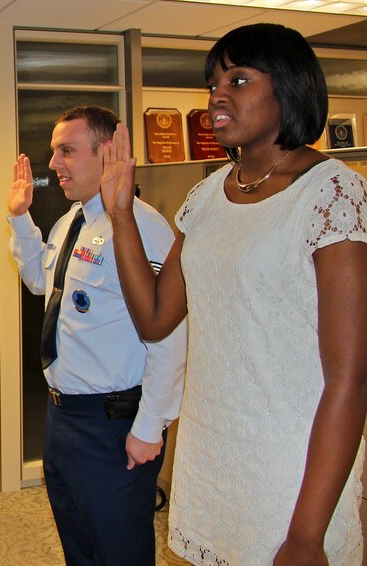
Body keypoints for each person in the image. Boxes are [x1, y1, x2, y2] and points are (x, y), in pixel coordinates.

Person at [100, 24, 366, 565]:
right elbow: (154, 317)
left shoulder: (332, 191)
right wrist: (121, 212)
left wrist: (308, 536)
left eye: (238, 79)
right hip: (213, 459)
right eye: (213, 82)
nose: (217, 95)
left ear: (288, 87)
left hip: (291, 476)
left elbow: (351, 376)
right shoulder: (206, 196)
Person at [8, 105, 187, 565]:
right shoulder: (72, 222)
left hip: (113, 428)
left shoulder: (141, 226)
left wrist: (150, 427)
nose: (53, 164)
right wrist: (19, 219)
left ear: (107, 152)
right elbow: (41, 283)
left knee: (119, 552)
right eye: (53, 152)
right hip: (63, 419)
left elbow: (168, 336)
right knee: (80, 550)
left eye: (66, 151)